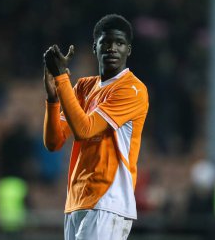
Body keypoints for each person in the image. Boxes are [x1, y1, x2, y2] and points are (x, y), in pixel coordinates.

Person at [42, 14, 149, 240]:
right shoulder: (84, 87)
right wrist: (53, 99)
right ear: (95, 47)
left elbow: (85, 129)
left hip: (108, 199)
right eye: (106, 42)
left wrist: (61, 79)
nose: (112, 48)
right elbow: (54, 142)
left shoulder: (132, 90)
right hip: (77, 199)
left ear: (128, 50)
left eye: (119, 43)